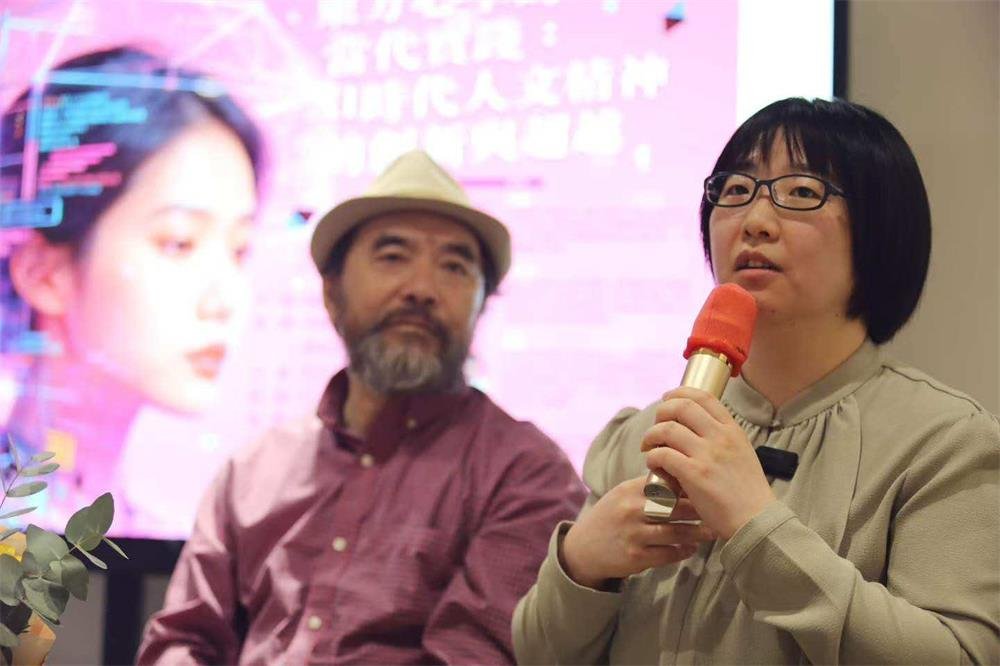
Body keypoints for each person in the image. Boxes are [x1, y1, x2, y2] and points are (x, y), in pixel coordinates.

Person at [513, 97, 1000, 664]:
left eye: (802, 193)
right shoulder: (646, 436)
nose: (755, 221)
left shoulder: (943, 443)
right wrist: (580, 566)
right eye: (736, 190)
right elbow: (536, 653)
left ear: (881, 229)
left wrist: (755, 525)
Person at [137, 149, 586, 664]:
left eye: (455, 266)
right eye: (393, 256)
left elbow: (473, 656)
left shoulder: (524, 474)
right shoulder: (254, 471)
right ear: (332, 294)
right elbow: (182, 641)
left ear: (481, 306)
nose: (421, 289)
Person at [0, 46, 263, 530]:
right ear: (44, 272)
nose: (224, 301)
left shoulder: (151, 528)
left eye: (239, 250)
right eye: (179, 243)